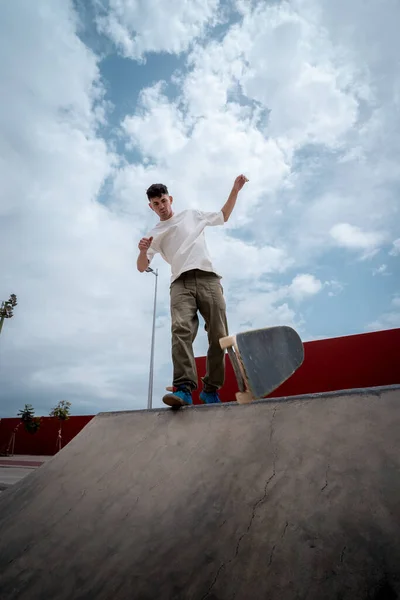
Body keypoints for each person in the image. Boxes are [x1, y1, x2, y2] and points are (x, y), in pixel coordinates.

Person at [137, 174, 248, 408]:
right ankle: (184, 389)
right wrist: (142, 251)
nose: (161, 207)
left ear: (170, 199)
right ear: (151, 206)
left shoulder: (191, 215)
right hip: (180, 283)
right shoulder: (154, 233)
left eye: (163, 201)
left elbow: (223, 216)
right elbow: (141, 267)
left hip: (208, 278)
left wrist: (235, 190)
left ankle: (210, 389)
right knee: (181, 330)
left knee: (219, 334)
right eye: (156, 204)